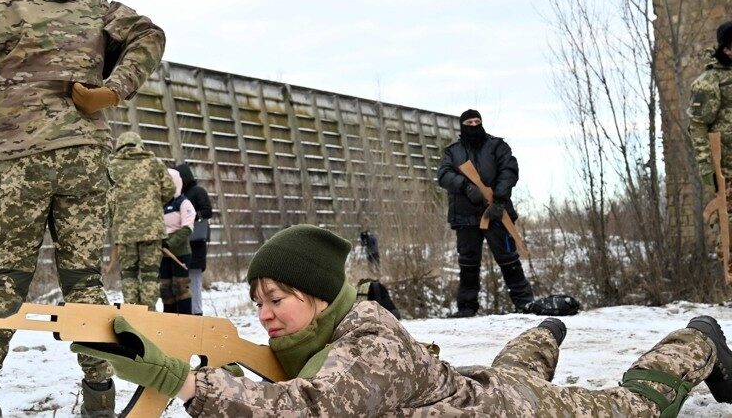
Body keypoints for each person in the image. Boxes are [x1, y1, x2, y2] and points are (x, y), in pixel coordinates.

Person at [73, 224, 732, 417]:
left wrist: (188, 385)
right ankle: (542, 335)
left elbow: (309, 408)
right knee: (506, 375)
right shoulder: (317, 334)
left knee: (636, 409)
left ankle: (698, 341)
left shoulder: (367, 337)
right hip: (471, 389)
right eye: (258, 302)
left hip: (516, 414)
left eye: (279, 298)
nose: (267, 313)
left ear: (320, 295)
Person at [0, 0, 165, 418]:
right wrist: (115, 89)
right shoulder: (95, 6)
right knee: (84, 276)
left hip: (18, 159)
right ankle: (100, 394)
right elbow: (149, 34)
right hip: (85, 154)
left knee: (5, 275)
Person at [436, 109, 534, 317]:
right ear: (462, 125)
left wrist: (499, 198)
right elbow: (444, 174)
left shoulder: (498, 146)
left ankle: (524, 302)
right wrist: (466, 186)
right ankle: (467, 308)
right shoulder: (452, 152)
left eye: (477, 121)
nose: (473, 124)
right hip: (465, 215)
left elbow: (509, 170)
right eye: (469, 122)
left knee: (509, 259)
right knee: (468, 263)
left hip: (497, 213)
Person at [108, 131, 174, 309]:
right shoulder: (154, 163)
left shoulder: (111, 166)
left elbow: (103, 197)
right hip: (152, 229)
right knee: (150, 274)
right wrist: (153, 204)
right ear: (139, 144)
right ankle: (148, 312)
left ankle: (131, 312)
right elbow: (169, 189)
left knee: (128, 273)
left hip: (124, 231)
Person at [689, 20, 732, 218]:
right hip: (728, 172)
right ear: (726, 49)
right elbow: (698, 126)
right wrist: (707, 167)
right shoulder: (710, 82)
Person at [175, 163, 212, 315]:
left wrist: (191, 217)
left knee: (194, 282)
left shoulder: (197, 192)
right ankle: (187, 314)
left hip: (196, 244)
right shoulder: (179, 196)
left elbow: (207, 211)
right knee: (184, 283)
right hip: (183, 245)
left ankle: (196, 314)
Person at [160, 169, 196, 314]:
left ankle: (185, 319)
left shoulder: (183, 202)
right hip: (162, 253)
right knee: (166, 289)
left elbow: (188, 228)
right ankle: (168, 320)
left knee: (180, 287)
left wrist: (170, 243)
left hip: (180, 252)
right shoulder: (159, 204)